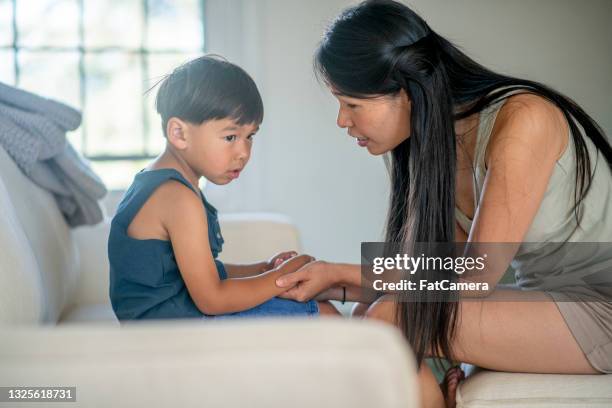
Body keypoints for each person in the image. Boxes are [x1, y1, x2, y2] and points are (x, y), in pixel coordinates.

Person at [275, 1, 612, 407]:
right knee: (372, 314)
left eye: (352, 104)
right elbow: (436, 269)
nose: (341, 120)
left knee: (385, 318)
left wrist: (340, 274)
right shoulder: (438, 146)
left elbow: (475, 277)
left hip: (600, 307)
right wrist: (334, 282)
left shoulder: (524, 117)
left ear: (406, 91)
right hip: (549, 302)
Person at [108, 55, 339, 321]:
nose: (243, 152)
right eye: (230, 136)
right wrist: (278, 280)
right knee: (324, 313)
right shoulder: (177, 198)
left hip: (173, 323)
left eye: (250, 136)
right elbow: (212, 298)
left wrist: (262, 269)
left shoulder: (156, 182)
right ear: (179, 134)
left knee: (316, 301)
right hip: (172, 333)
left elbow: (199, 274)